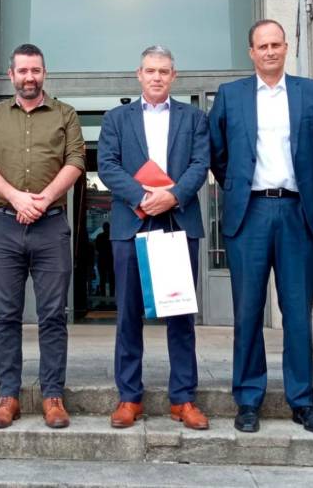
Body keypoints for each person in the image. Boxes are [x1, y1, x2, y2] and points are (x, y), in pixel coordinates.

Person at [209, 20, 313, 434]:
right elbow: (219, 154)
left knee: (297, 312)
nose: (269, 51)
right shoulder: (230, 95)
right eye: (261, 45)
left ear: (285, 48)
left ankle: (302, 401)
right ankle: (247, 398)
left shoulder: (312, 92)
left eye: (276, 44)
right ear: (251, 52)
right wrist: (244, 188)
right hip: (251, 214)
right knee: (247, 311)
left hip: (296, 211)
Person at [98, 45, 210, 429]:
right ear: (139, 74)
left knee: (180, 316)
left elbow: (200, 164)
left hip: (176, 221)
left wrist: (173, 196)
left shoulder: (194, 118)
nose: (157, 76)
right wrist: (144, 197)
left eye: (164, 71)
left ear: (174, 76)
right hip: (132, 224)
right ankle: (129, 397)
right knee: (128, 315)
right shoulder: (117, 118)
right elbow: (107, 165)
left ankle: (184, 399)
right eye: (150, 70)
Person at [0, 43, 85, 429]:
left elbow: (75, 161)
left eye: (35, 70)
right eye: (22, 71)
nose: (29, 77)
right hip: (4, 225)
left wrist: (43, 199)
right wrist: (16, 197)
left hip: (51, 225)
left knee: (53, 315)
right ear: (11, 75)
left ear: (44, 73)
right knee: (6, 315)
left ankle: (53, 396)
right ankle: (9, 396)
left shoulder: (65, 114)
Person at [94, 222, 113, 296]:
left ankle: (103, 296)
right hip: (110, 259)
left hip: (102, 260)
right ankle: (111, 295)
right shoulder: (111, 236)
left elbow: (97, 248)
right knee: (111, 279)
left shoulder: (99, 236)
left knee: (102, 279)